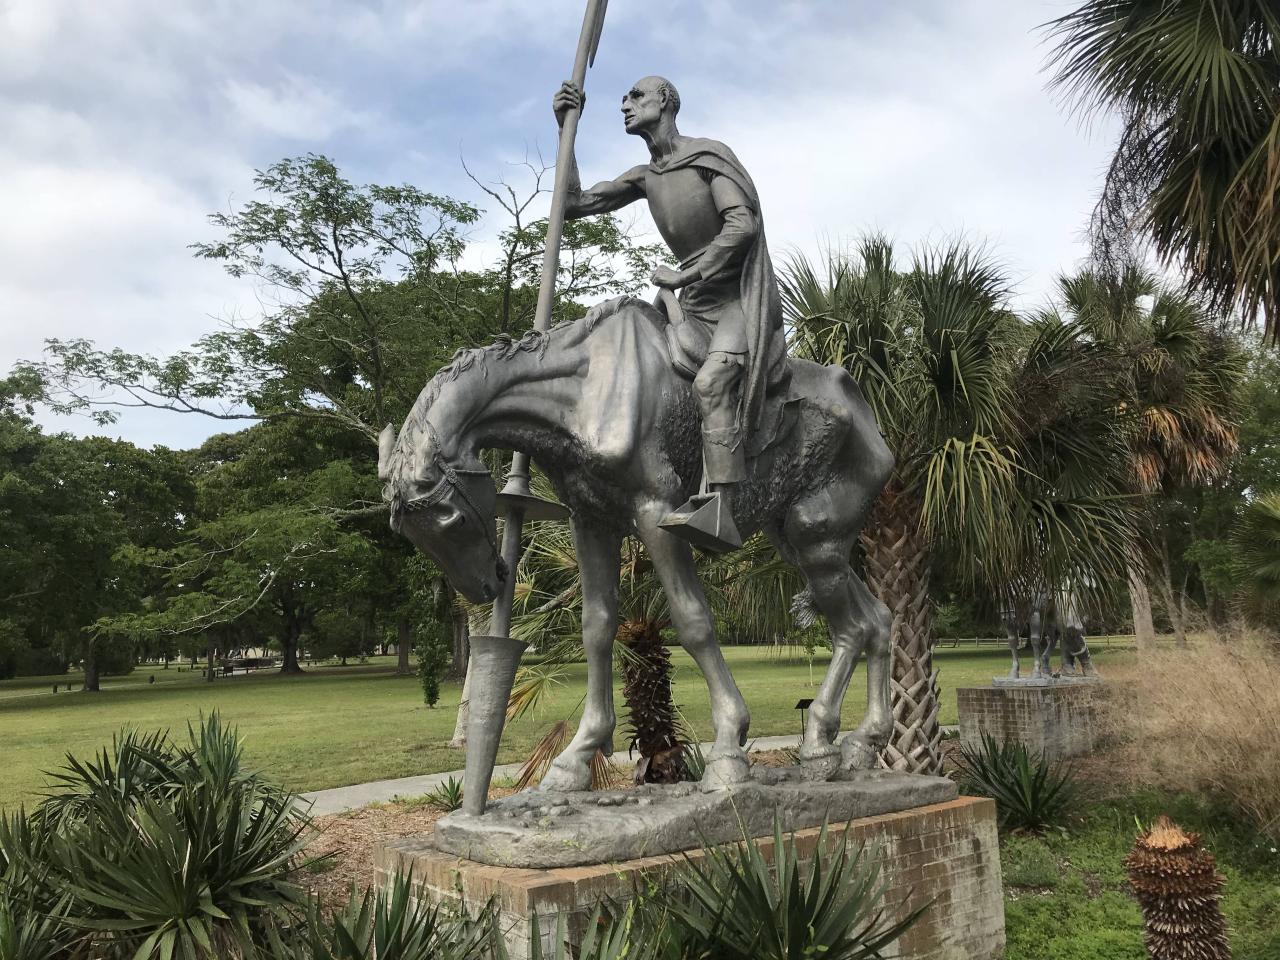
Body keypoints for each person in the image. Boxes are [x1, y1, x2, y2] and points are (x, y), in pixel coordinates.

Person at [553, 76, 783, 551]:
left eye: (636, 95)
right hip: (690, 302)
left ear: (666, 100)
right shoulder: (643, 177)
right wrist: (566, 131)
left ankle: (720, 507)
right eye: (624, 98)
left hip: (734, 300)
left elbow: (741, 225)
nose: (625, 103)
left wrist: (684, 274)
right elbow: (572, 203)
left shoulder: (707, 157)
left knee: (711, 383)